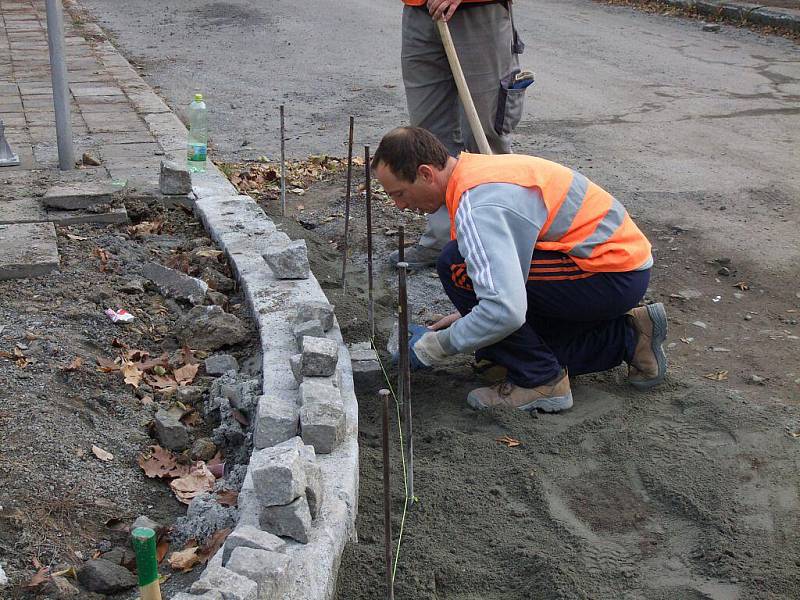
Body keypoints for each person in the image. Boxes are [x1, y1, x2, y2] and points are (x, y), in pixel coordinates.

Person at [373, 127, 668, 412]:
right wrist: (468, 318)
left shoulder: (479, 205)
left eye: (399, 193)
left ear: (425, 173)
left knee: (457, 267)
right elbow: (512, 268)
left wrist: (432, 347)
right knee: (499, 349)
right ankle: (629, 337)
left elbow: (505, 311)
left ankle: (541, 381)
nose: (399, 206)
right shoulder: (477, 171)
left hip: (607, 272)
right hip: (611, 265)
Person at [394, 0, 528, 268]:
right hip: (419, 13)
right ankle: (445, 240)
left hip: (479, 13)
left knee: (485, 137)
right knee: (428, 140)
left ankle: (496, 244)